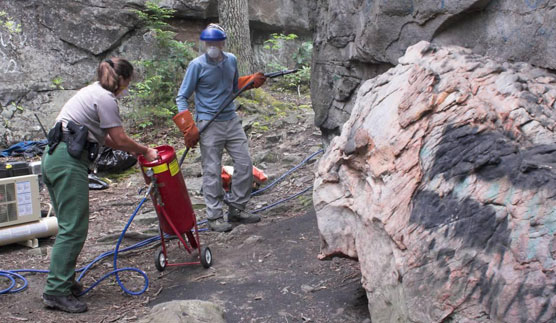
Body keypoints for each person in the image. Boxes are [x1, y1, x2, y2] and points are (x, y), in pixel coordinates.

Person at [41, 58, 158, 313]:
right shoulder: (106, 98)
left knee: (68, 224)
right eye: (128, 83)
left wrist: (134, 150)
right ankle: (56, 291)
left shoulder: (90, 92)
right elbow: (118, 137)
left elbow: (108, 139)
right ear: (123, 80)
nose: (127, 89)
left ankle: (65, 280)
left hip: (53, 158)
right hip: (67, 161)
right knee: (74, 228)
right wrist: (145, 150)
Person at [174, 24, 266, 232]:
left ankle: (237, 208)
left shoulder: (231, 60)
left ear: (222, 43)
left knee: (244, 163)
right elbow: (181, 97)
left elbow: (233, 88)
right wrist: (189, 127)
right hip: (208, 123)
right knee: (212, 170)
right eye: (209, 43)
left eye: (216, 42)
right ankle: (214, 216)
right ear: (204, 44)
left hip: (231, 120)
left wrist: (250, 81)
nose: (212, 46)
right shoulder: (196, 65)